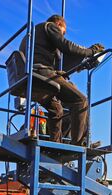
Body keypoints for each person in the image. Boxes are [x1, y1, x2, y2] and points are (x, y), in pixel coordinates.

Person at [19, 15, 104, 146]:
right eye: (62, 32)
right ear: (59, 24)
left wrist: (58, 72)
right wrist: (91, 51)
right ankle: (79, 145)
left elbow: (38, 57)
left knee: (56, 109)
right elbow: (66, 46)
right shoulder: (49, 26)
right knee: (81, 101)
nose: (61, 35)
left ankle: (54, 145)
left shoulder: (30, 36)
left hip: (28, 79)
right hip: (41, 74)